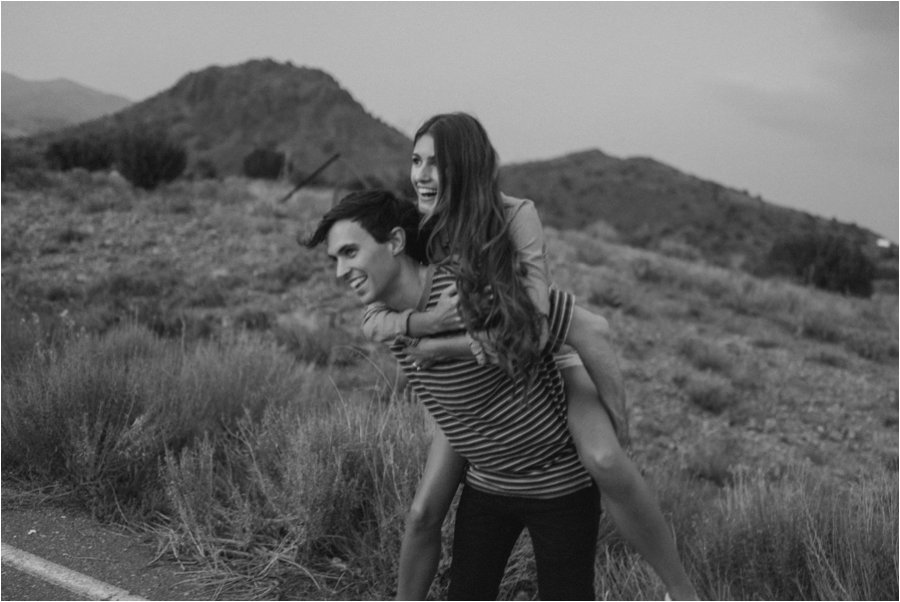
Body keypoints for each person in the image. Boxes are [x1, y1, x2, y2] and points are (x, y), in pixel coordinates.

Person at [361, 112, 698, 600]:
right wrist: (418, 325)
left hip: (549, 361)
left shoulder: (515, 215)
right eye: (416, 161)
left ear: (467, 166)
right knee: (421, 513)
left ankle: (683, 592)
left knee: (606, 457)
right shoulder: (419, 231)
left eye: (436, 163)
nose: (422, 175)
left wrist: (442, 345)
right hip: (481, 394)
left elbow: (537, 325)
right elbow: (375, 308)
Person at [306, 190, 603, 600]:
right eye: (335, 259)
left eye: (350, 252)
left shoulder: (469, 287)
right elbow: (378, 329)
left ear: (394, 242)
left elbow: (561, 329)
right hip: (486, 482)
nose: (341, 271)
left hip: (557, 483)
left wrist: (611, 419)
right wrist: (426, 326)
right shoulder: (389, 317)